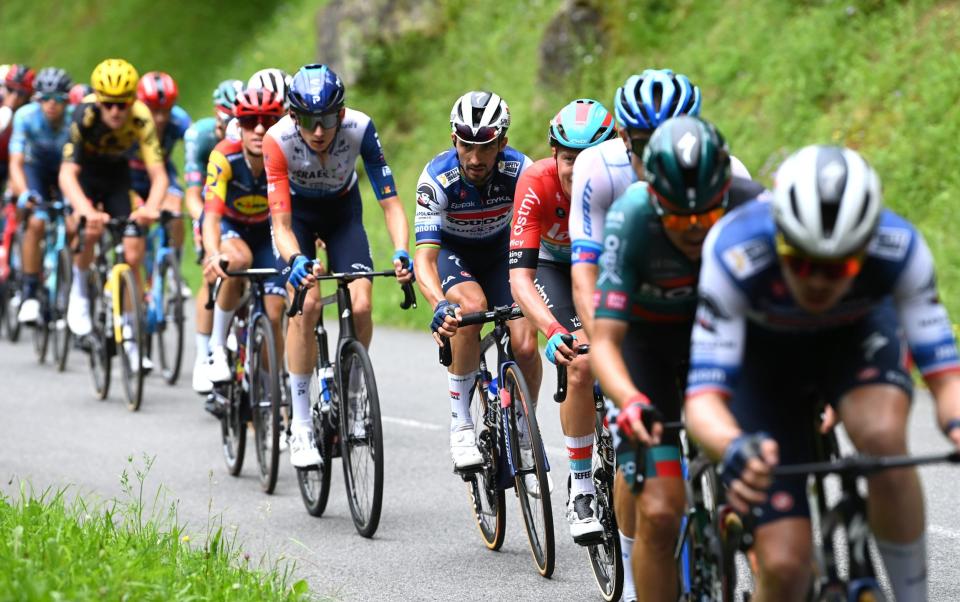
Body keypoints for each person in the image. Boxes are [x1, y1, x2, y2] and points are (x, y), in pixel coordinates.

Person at [684, 145, 960, 602]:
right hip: (764, 365)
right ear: (779, 239)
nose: (818, 281)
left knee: (883, 437)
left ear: (866, 246)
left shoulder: (900, 248)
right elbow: (703, 400)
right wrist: (732, 446)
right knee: (786, 566)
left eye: (842, 267)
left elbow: (946, 379)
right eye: (802, 261)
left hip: (854, 342)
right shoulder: (734, 250)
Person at [590, 116, 764, 602]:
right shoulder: (631, 217)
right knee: (662, 511)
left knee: (763, 500)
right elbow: (604, 342)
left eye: (706, 216)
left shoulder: (755, 207)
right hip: (648, 348)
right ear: (654, 195)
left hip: (721, 339)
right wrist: (628, 401)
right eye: (679, 217)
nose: (693, 229)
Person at [265, 63, 412, 468]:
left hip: (343, 213)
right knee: (307, 303)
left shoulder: (361, 129)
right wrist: (295, 259)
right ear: (294, 116)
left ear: (341, 114)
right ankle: (299, 425)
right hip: (297, 215)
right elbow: (279, 223)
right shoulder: (276, 140)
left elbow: (390, 202)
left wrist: (401, 249)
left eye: (327, 119)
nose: (318, 130)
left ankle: (351, 391)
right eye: (309, 121)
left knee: (361, 303)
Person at [413, 90, 541, 473]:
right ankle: (461, 424)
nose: (474, 157)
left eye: (485, 146)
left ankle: (523, 429)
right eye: (466, 145)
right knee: (469, 311)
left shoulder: (521, 171)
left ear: (502, 142)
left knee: (526, 344)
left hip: (503, 253)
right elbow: (425, 257)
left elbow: (539, 238)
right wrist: (439, 304)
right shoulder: (437, 178)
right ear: (454, 139)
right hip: (457, 255)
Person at [568, 69, 751, 337]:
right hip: (633, 309)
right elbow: (586, 273)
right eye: (645, 145)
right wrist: (603, 347)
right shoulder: (597, 167)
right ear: (623, 137)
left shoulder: (729, 174)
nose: (657, 158)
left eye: (671, 141)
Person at [508, 98, 617, 542]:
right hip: (554, 267)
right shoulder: (535, 181)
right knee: (581, 362)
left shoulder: (621, 182)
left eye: (589, 158)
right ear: (555, 154)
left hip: (604, 266)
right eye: (570, 158)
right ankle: (582, 486)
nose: (577, 168)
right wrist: (551, 329)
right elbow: (520, 276)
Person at [60, 58, 167, 372]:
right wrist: (86, 210)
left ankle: (132, 339)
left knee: (134, 251)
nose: (116, 112)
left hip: (118, 177)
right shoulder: (84, 115)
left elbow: (158, 176)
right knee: (90, 231)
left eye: (123, 104)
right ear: (99, 101)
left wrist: (150, 208)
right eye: (109, 104)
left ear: (132, 101)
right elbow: (67, 175)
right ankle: (79, 293)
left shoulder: (141, 117)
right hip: (86, 177)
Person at [201, 88, 287, 388]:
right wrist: (213, 253)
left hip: (266, 231)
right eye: (251, 121)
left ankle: (270, 390)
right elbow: (210, 215)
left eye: (269, 120)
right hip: (230, 226)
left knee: (275, 312)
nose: (260, 128)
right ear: (239, 124)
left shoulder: (285, 155)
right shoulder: (224, 155)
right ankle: (217, 348)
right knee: (237, 261)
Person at [186, 78, 243, 394]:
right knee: (213, 273)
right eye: (226, 118)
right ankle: (203, 353)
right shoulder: (202, 135)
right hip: (211, 205)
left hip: (240, 205)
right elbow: (193, 195)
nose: (231, 125)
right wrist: (204, 225)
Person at [7, 67, 74, 324]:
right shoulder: (25, 116)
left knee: (71, 225)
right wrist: (24, 193)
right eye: (45, 98)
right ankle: (30, 293)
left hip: (64, 171)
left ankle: (70, 287)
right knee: (36, 221)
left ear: (66, 101)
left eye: (57, 99)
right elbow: (16, 163)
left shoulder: (73, 119)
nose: (51, 105)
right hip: (35, 170)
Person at [130, 71, 191, 252]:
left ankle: (174, 270)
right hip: (130, 177)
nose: (160, 118)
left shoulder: (179, 119)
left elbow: (196, 145)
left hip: (162, 173)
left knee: (175, 212)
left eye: (166, 110)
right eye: (154, 110)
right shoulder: (130, 119)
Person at [1, 64, 36, 188]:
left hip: (18, 162)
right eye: (10, 89)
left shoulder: (30, 113)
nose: (14, 97)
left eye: (21, 93)